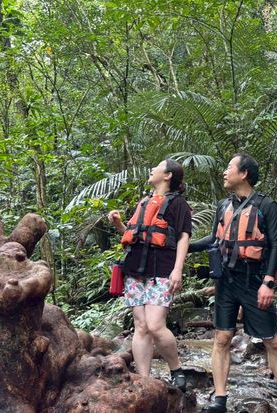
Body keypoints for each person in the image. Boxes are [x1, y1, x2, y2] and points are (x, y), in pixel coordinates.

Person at [190, 154, 277, 413]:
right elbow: (214, 239)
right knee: (222, 338)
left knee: (272, 340)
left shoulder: (267, 206)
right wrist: (185, 245)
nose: (224, 172)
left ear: (244, 174)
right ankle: (219, 398)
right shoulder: (223, 206)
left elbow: (275, 245)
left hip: (254, 280)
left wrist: (268, 282)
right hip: (226, 281)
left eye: (229, 167)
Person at [108, 159, 191, 391]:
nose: (152, 170)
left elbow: (183, 237)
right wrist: (118, 224)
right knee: (141, 325)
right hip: (135, 271)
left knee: (155, 325)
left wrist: (178, 269)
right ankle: (144, 380)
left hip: (162, 271)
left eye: (157, 167)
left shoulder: (178, 204)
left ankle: (176, 369)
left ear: (168, 175)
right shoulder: (144, 202)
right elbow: (133, 235)